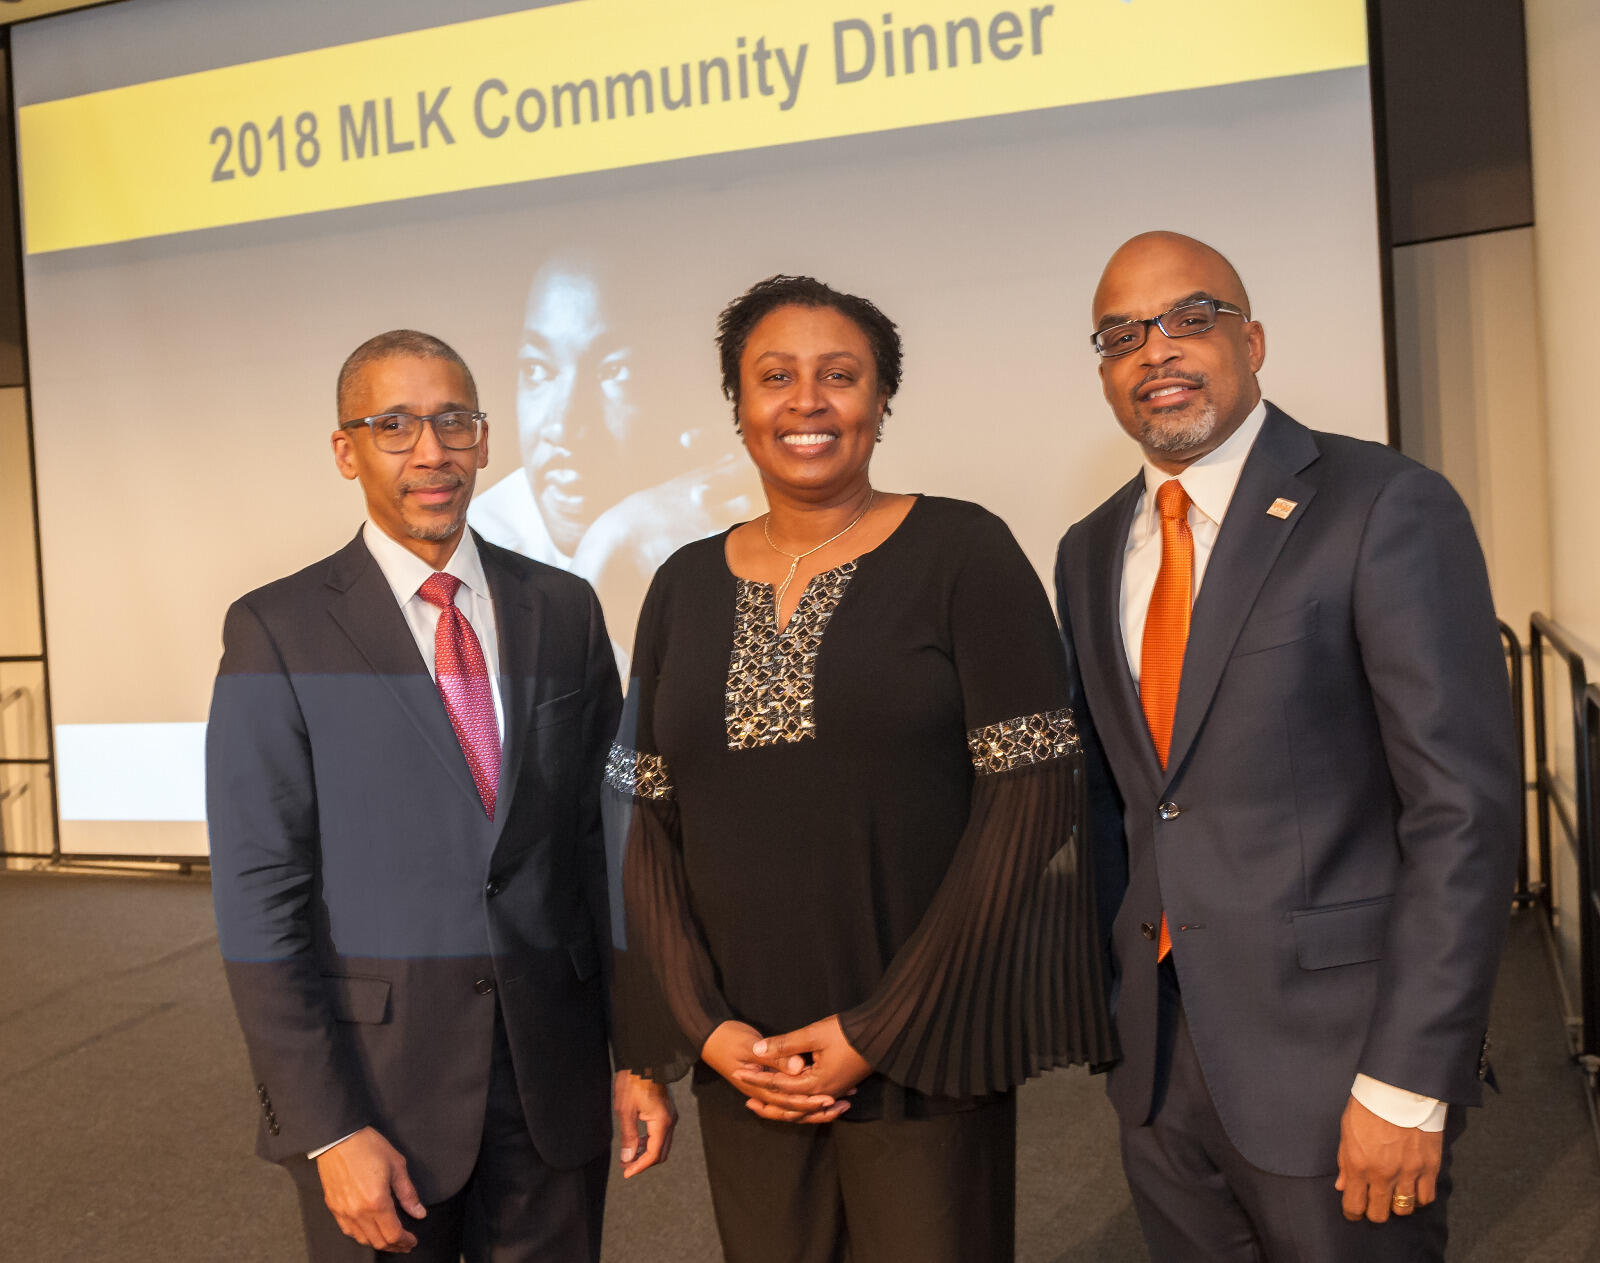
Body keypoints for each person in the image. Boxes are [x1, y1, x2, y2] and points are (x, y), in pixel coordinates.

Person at [604, 276, 1113, 1262]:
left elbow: (1033, 794)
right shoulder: (680, 586)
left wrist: (882, 1024)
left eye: (839, 375)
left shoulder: (963, 551)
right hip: (744, 1059)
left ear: (881, 401)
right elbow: (642, 818)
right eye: (775, 377)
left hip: (923, 1039)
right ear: (738, 407)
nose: (807, 400)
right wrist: (702, 1030)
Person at [1054, 232, 1519, 1261]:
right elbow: (1123, 805)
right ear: (1103, 372)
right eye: (1121, 334)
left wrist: (1408, 1079)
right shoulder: (1087, 550)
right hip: (1161, 1066)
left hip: (1341, 1064)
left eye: (1189, 317)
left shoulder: (1383, 506)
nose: (1155, 351)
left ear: (1251, 338)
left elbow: (1461, 814)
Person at [207, 329, 674, 1262]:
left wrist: (639, 1050)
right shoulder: (279, 628)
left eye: (453, 421)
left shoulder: (564, 608)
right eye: (395, 424)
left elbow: (601, 847)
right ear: (346, 450)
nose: (432, 450)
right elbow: (262, 900)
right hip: (378, 1093)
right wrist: (327, 1128)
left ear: (486, 439)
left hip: (553, 1075)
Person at [468, 254, 758, 665]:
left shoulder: (734, 522)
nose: (565, 425)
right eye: (538, 369)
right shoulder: (474, 551)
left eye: (613, 370)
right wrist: (607, 553)